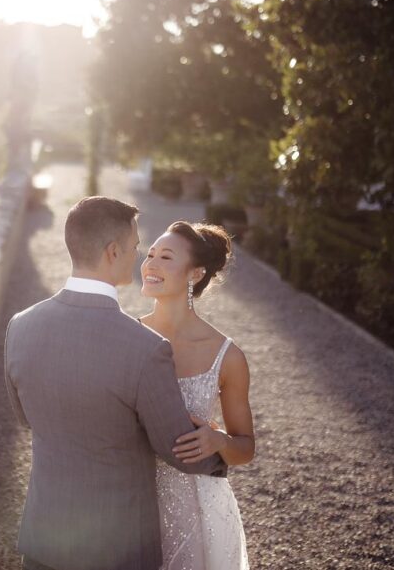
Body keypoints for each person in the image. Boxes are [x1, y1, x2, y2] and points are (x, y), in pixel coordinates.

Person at [4, 197, 229, 570]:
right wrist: (224, 452)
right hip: (118, 550)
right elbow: (177, 449)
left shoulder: (20, 326)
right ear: (113, 252)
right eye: (136, 247)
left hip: (43, 541)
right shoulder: (146, 348)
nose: (139, 257)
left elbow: (25, 416)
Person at [140, 220, 255, 569]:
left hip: (199, 510)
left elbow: (245, 447)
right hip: (134, 502)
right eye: (150, 254)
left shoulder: (228, 356)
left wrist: (218, 440)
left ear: (195, 274)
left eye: (166, 257)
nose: (151, 264)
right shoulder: (128, 336)